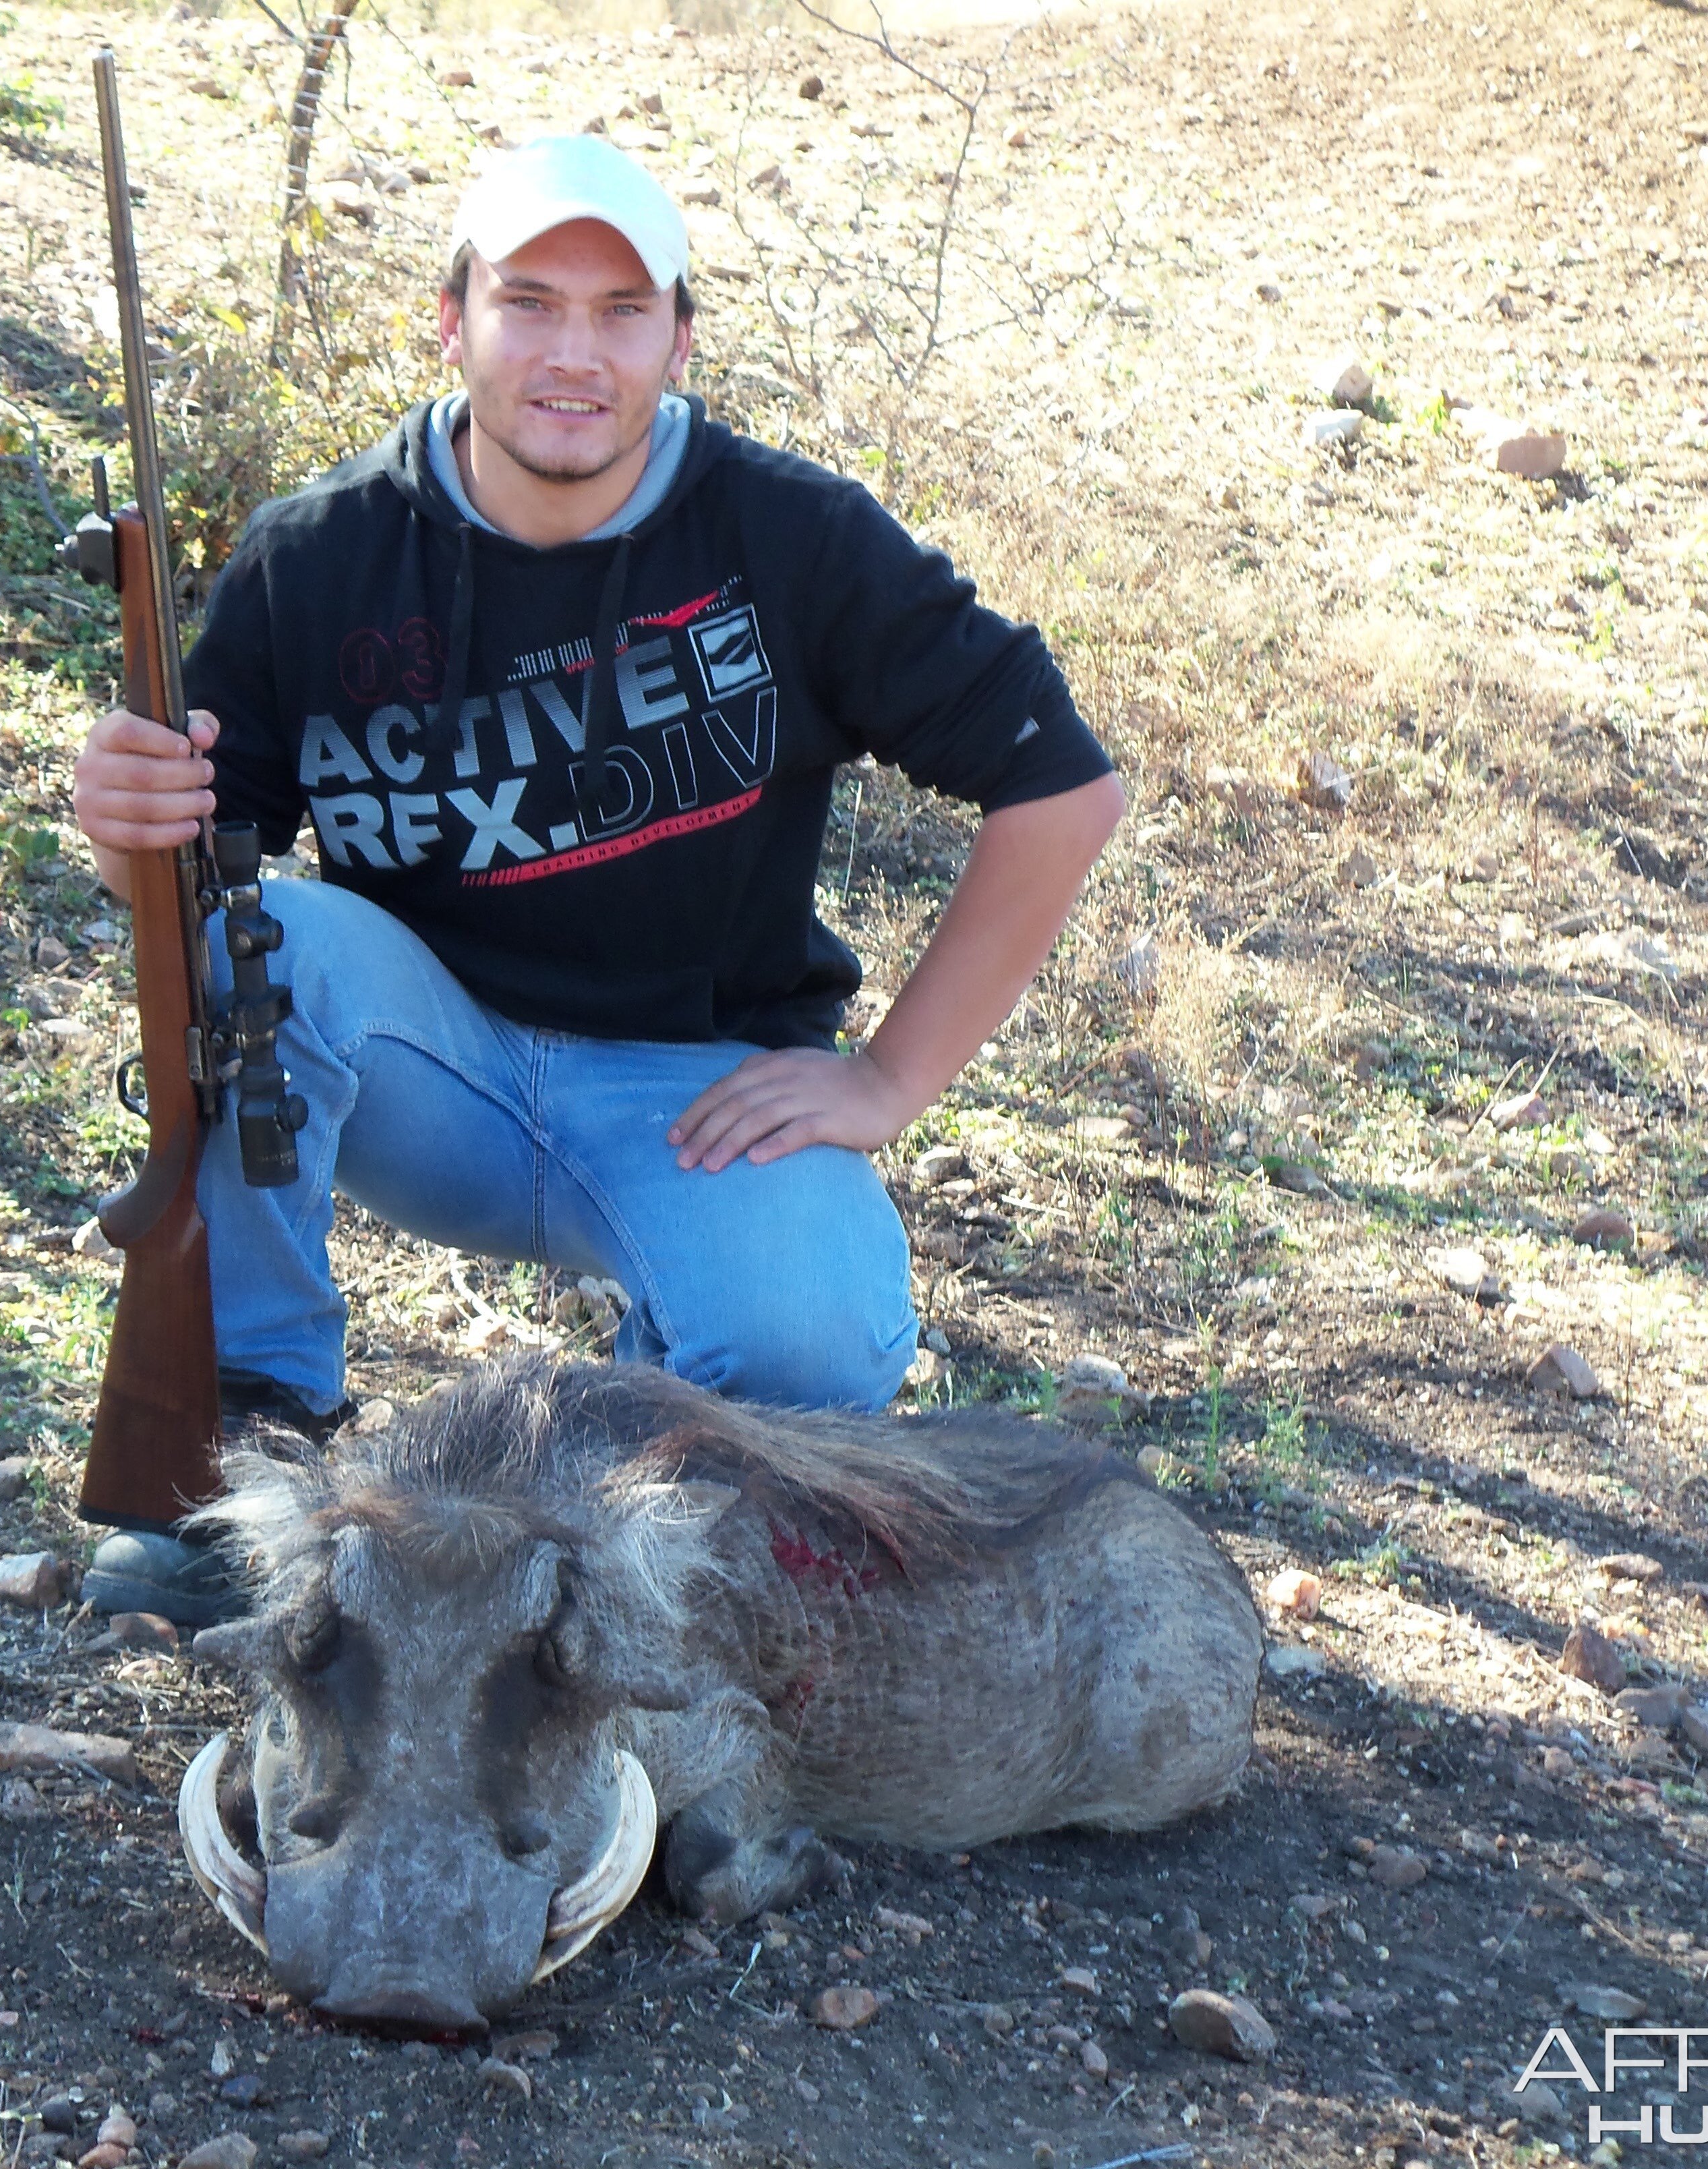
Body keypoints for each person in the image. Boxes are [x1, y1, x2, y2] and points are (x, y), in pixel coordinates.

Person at [73, 135, 1125, 1623]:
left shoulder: (794, 537)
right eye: (529, 301)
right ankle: (245, 1439)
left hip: (696, 1101)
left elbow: (1062, 788)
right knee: (265, 940)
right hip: (433, 1073)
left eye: (623, 310)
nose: (575, 353)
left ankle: (606, 1487)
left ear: (680, 341)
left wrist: (885, 1081)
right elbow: (188, 904)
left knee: (813, 1346)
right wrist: (127, 825)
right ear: (452, 323)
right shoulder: (314, 557)